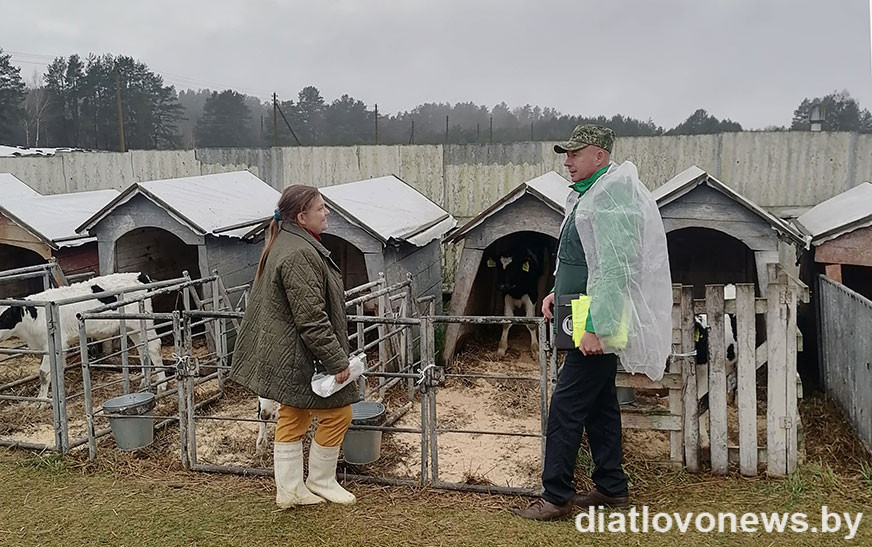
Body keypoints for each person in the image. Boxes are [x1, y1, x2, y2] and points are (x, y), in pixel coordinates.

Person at [513, 124, 672, 521]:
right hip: (583, 310)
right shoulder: (588, 194)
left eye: (574, 154)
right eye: (565, 154)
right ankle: (612, 487)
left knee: (566, 406)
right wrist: (557, 293)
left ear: (598, 155)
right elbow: (581, 258)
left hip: (598, 317)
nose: (566, 161)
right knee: (601, 405)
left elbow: (615, 269)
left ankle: (556, 496)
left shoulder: (612, 196)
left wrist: (597, 327)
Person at [229, 184, 358, 508]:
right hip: (294, 353)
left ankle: (290, 490)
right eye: (321, 208)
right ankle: (320, 480)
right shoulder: (300, 252)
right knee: (338, 414)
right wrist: (336, 361)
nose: (326, 213)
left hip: (282, 351)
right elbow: (311, 319)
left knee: (294, 413)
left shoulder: (286, 241)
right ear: (302, 216)